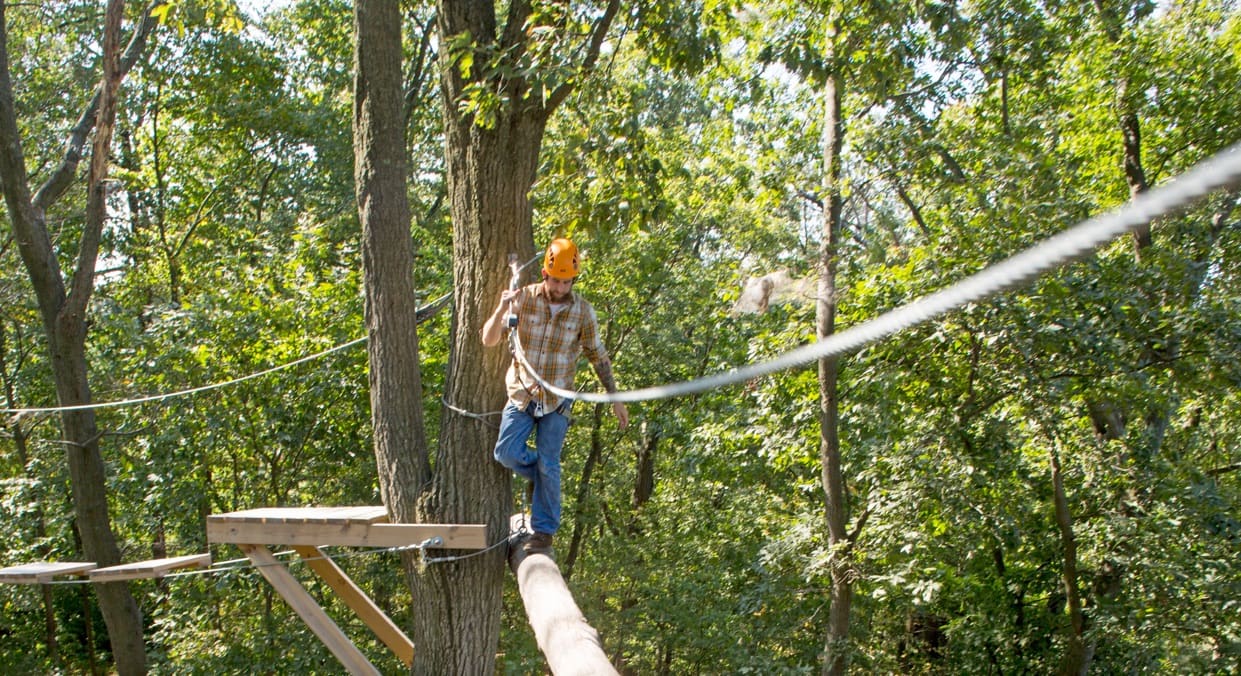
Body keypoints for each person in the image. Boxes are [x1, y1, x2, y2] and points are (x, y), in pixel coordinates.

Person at [481, 237, 629, 556]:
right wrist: (501, 308)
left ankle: (544, 531)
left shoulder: (583, 312)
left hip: (557, 401)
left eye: (567, 282)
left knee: (550, 461)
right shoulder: (522, 299)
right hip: (522, 393)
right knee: (506, 453)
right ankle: (541, 478)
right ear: (545, 274)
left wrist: (614, 397)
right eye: (556, 280)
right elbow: (489, 339)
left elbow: (598, 357)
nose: (561, 287)